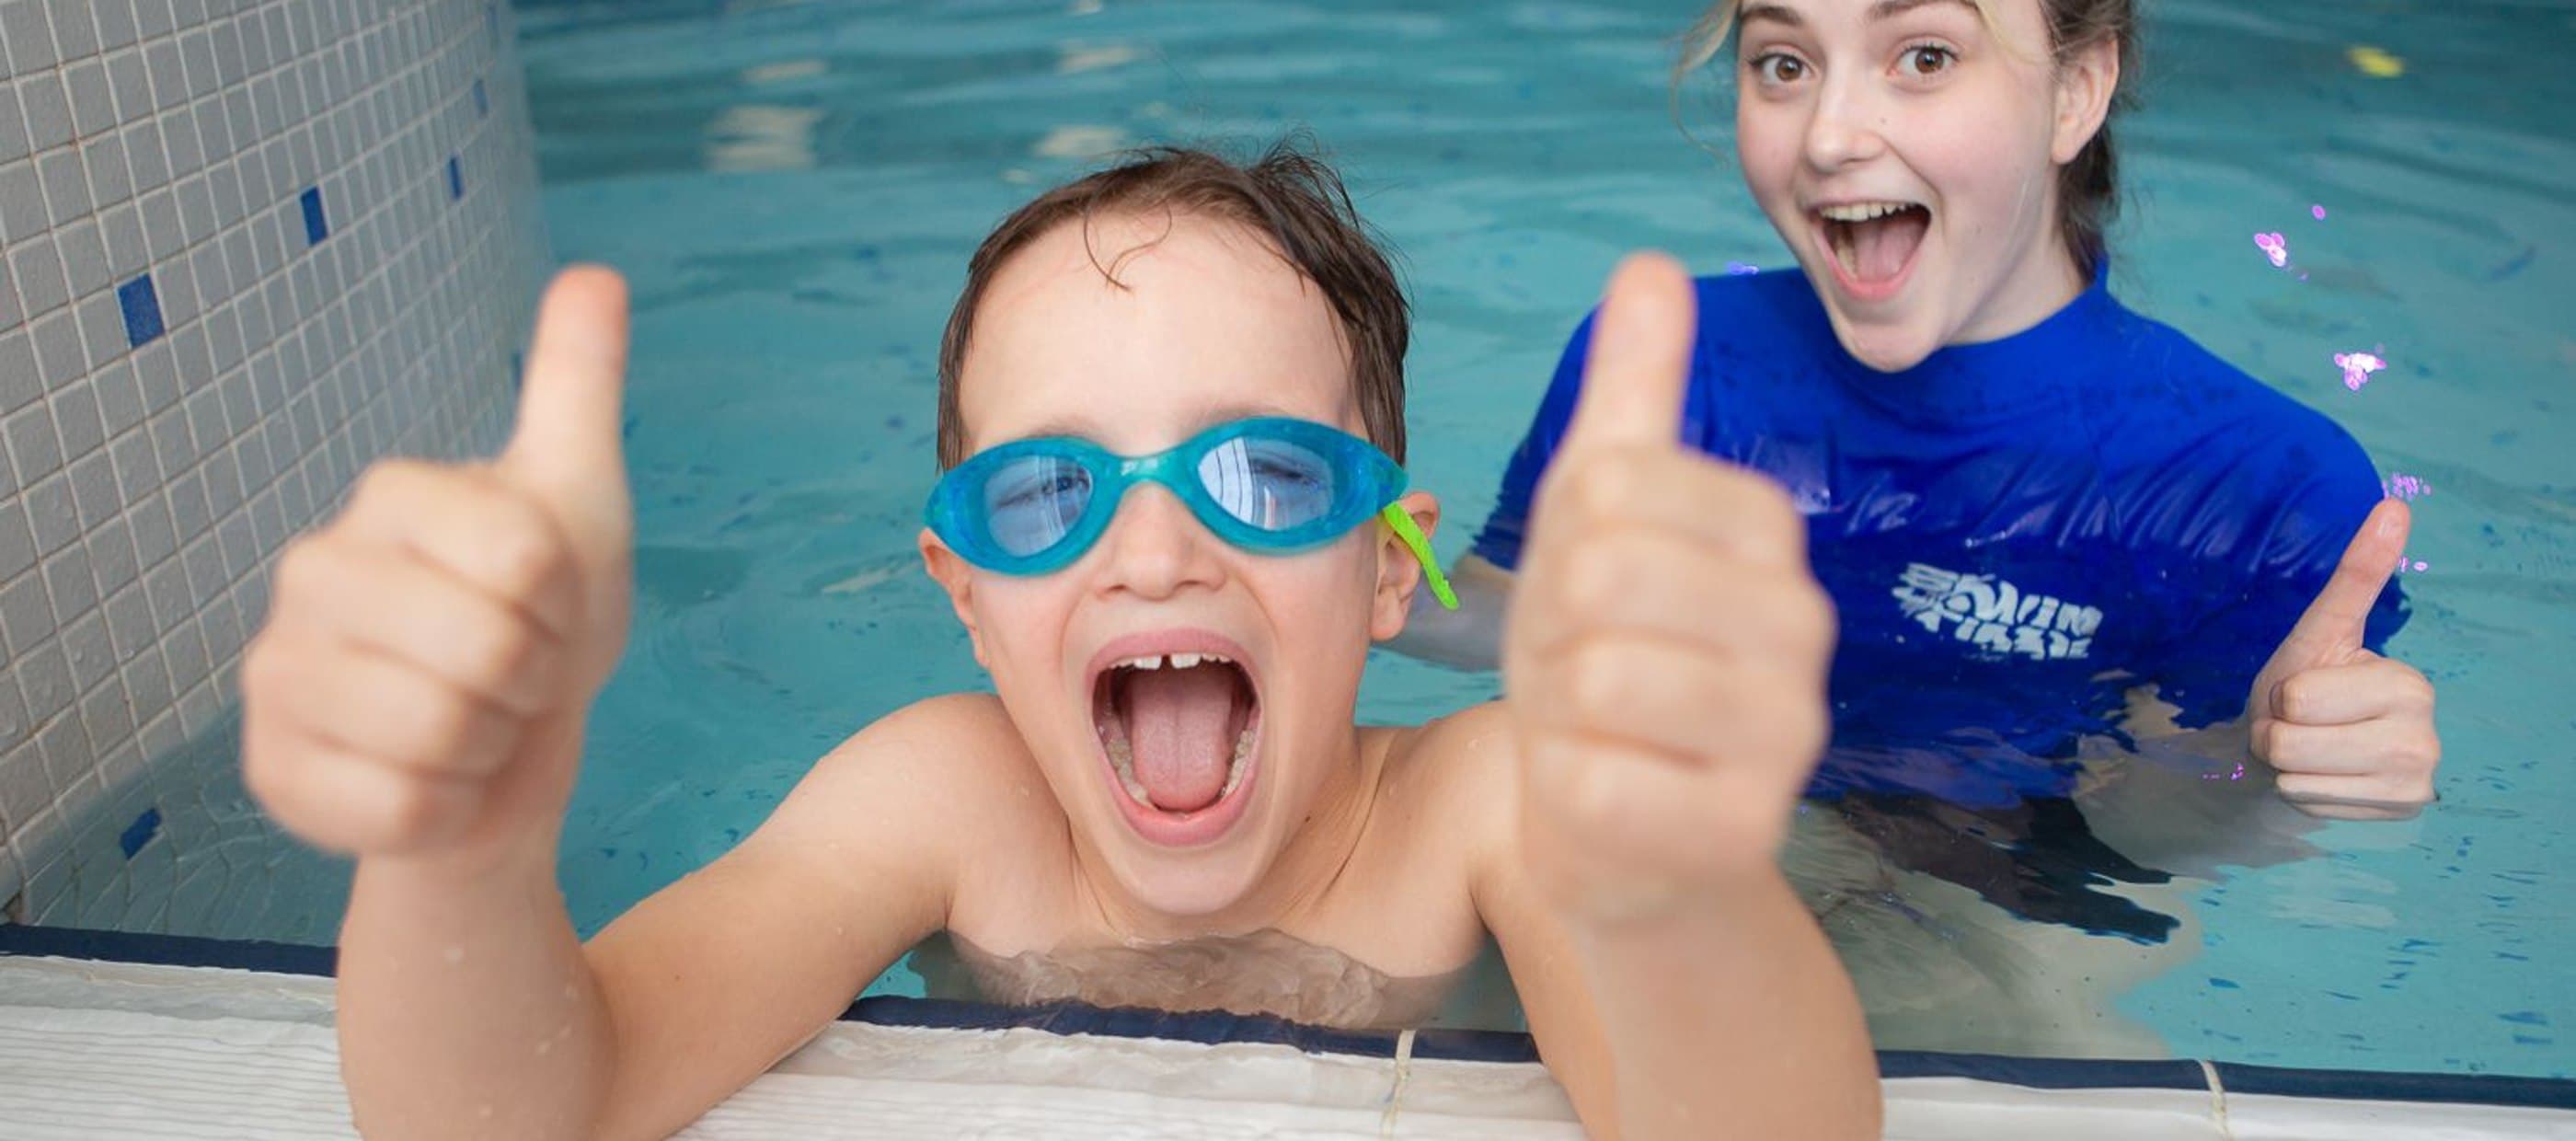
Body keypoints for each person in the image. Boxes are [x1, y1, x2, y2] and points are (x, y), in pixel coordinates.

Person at [238, 144, 1880, 1139]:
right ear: (965, 594)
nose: (1155, 547)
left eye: (1265, 473)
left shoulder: (1484, 803)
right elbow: (535, 1108)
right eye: (1049, 491)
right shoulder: (948, 805)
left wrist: (1676, 903)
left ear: (1393, 571)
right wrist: (466, 847)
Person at [1386, 0, 2444, 1055]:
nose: (1830, 135)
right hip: (1693, 845)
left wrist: (2272, 773)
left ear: (2075, 91)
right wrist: (1367, 570)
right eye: (1783, 63)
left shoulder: (2251, 486)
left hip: (2014, 900)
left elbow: (2148, 828)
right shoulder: (1668, 363)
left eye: (1923, 56)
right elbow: (1518, 618)